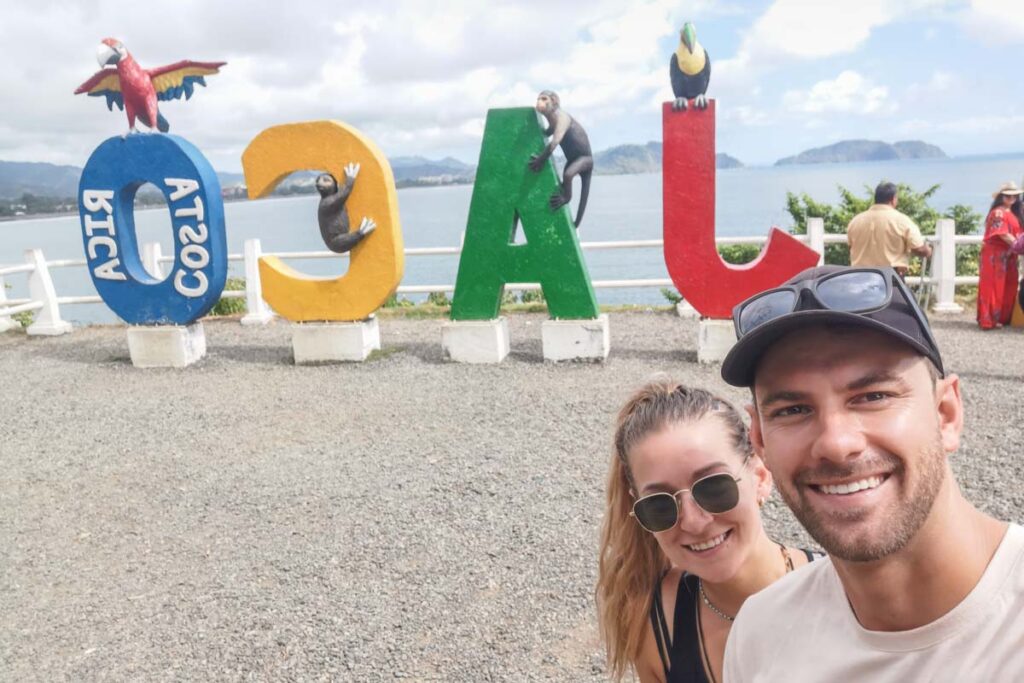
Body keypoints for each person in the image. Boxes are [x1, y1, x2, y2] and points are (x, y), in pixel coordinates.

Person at [719, 265, 1023, 681]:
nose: (835, 443)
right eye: (793, 410)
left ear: (946, 414)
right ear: (759, 441)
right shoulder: (761, 633)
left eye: (873, 396)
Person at [596, 380, 821, 683]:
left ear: (760, 476)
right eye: (660, 505)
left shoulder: (850, 594)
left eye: (714, 487)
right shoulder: (655, 623)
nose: (693, 521)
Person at [846, 181, 932, 276]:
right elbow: (919, 249)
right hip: (890, 277)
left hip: (859, 276)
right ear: (893, 199)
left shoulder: (856, 221)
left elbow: (850, 247)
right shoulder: (902, 220)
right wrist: (928, 251)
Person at [977, 181, 1023, 329]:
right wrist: (1018, 245)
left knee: (1010, 285)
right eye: (1008, 196)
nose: (1012, 199)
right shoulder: (998, 213)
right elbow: (1003, 234)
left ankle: (1003, 317)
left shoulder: (1015, 213)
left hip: (1010, 255)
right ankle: (988, 320)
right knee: (992, 287)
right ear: (1001, 197)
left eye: (1014, 196)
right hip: (995, 255)